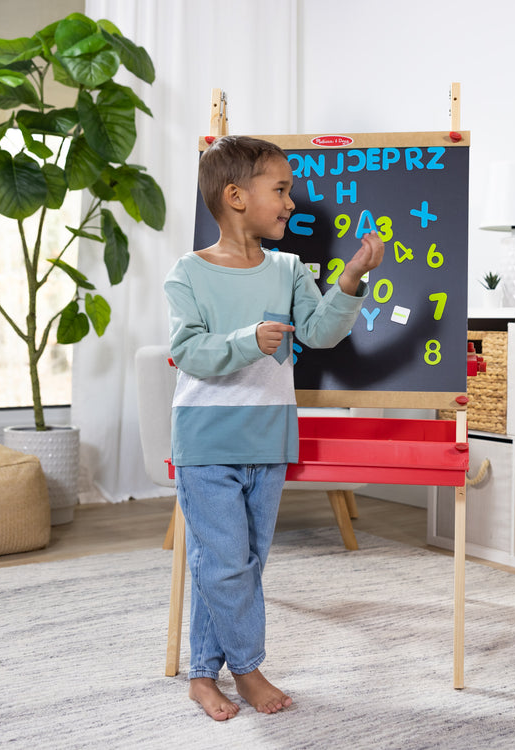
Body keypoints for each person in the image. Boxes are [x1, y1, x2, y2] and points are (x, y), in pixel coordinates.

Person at [163, 135, 384, 721]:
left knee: (239, 562)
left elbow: (320, 331)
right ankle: (248, 668)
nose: (291, 202)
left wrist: (353, 278)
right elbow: (187, 352)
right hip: (206, 443)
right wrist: (246, 341)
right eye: (280, 189)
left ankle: (201, 676)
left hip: (268, 438)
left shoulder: (288, 269)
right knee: (227, 563)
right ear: (236, 196)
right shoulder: (187, 273)